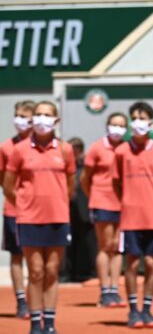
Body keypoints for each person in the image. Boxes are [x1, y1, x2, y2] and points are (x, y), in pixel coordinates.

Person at [2, 101, 75, 334]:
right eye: (38, 114)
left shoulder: (65, 150)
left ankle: (50, 323)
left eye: (47, 114)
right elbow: (8, 185)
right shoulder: (19, 150)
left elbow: (71, 186)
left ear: (56, 120)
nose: (42, 119)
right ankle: (35, 322)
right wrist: (24, 205)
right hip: (29, 219)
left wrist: (58, 203)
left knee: (52, 270)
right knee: (35, 271)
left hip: (57, 218)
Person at [113, 102, 153, 329]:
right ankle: (133, 311)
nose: (138, 122)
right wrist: (128, 201)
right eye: (134, 118)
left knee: (150, 263)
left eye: (143, 118)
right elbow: (116, 182)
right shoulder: (121, 152)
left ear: (151, 123)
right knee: (132, 263)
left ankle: (147, 310)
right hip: (131, 217)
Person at [80, 113, 128, 308]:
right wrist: (94, 197)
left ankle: (115, 289)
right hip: (102, 201)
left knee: (117, 247)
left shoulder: (127, 148)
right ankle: (104, 290)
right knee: (105, 245)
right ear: (107, 126)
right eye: (114, 124)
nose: (117, 128)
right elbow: (85, 178)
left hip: (124, 203)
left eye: (121, 125)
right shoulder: (97, 148)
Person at [0, 100, 35, 321]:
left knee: (36, 260)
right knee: (17, 256)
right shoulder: (6, 147)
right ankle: (21, 301)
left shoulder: (47, 146)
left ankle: (36, 300)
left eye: (26, 117)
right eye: (18, 116)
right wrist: (18, 201)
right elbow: (4, 181)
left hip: (39, 214)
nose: (20, 121)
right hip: (13, 211)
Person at [66, 137, 96, 284]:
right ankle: (70, 272)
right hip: (70, 208)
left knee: (88, 241)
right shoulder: (67, 163)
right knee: (71, 241)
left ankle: (88, 271)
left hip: (85, 207)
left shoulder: (86, 164)